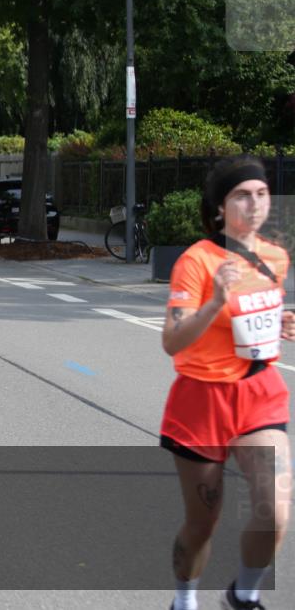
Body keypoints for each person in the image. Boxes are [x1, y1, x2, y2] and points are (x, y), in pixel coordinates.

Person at [159, 157, 293, 610]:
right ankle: (184, 600)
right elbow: (173, 341)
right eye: (241, 194)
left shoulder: (276, 257)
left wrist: (278, 322)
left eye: (261, 193)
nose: (254, 203)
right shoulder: (196, 262)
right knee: (203, 524)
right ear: (219, 208)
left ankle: (244, 595)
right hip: (200, 401)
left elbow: (252, 322)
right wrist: (215, 298)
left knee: (274, 511)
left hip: (259, 395)